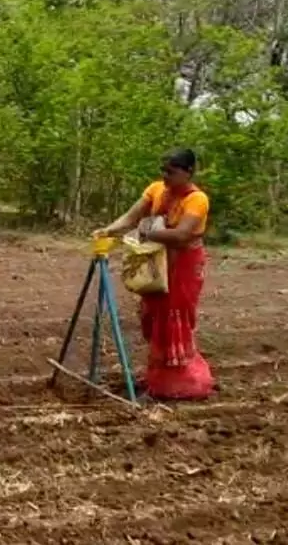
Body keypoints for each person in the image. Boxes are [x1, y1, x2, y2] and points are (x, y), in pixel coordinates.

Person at [92, 147, 214, 401]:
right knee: (154, 318)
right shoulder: (156, 190)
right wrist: (108, 231)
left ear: (188, 172)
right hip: (158, 262)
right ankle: (157, 380)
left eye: (172, 172)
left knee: (173, 321)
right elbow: (132, 216)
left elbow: (181, 234)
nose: (165, 176)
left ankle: (177, 386)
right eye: (163, 171)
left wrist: (146, 233)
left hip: (183, 265)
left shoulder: (197, 199)